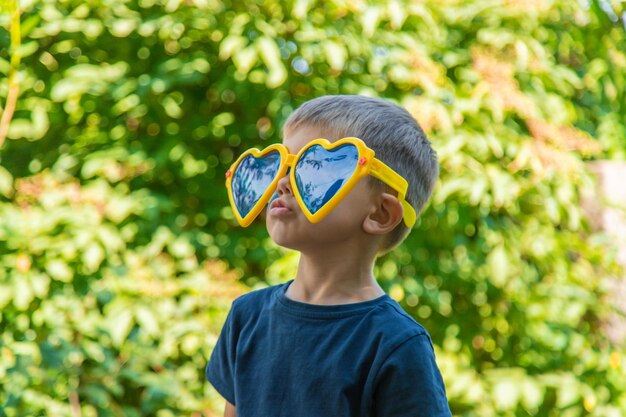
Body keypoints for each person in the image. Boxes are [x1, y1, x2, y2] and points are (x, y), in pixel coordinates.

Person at [206, 95, 452, 417]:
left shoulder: (396, 344)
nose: (282, 183)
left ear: (380, 213)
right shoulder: (246, 316)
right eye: (283, 164)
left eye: (314, 168)